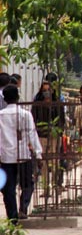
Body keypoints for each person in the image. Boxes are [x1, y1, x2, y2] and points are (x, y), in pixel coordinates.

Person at [0, 85, 43, 222]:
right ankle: (23, 208)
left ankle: (12, 217)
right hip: (23, 155)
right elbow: (32, 134)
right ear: (18, 97)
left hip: (6, 157)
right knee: (28, 184)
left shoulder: (0, 116)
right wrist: (38, 154)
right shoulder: (25, 114)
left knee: (8, 189)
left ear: (5, 99)